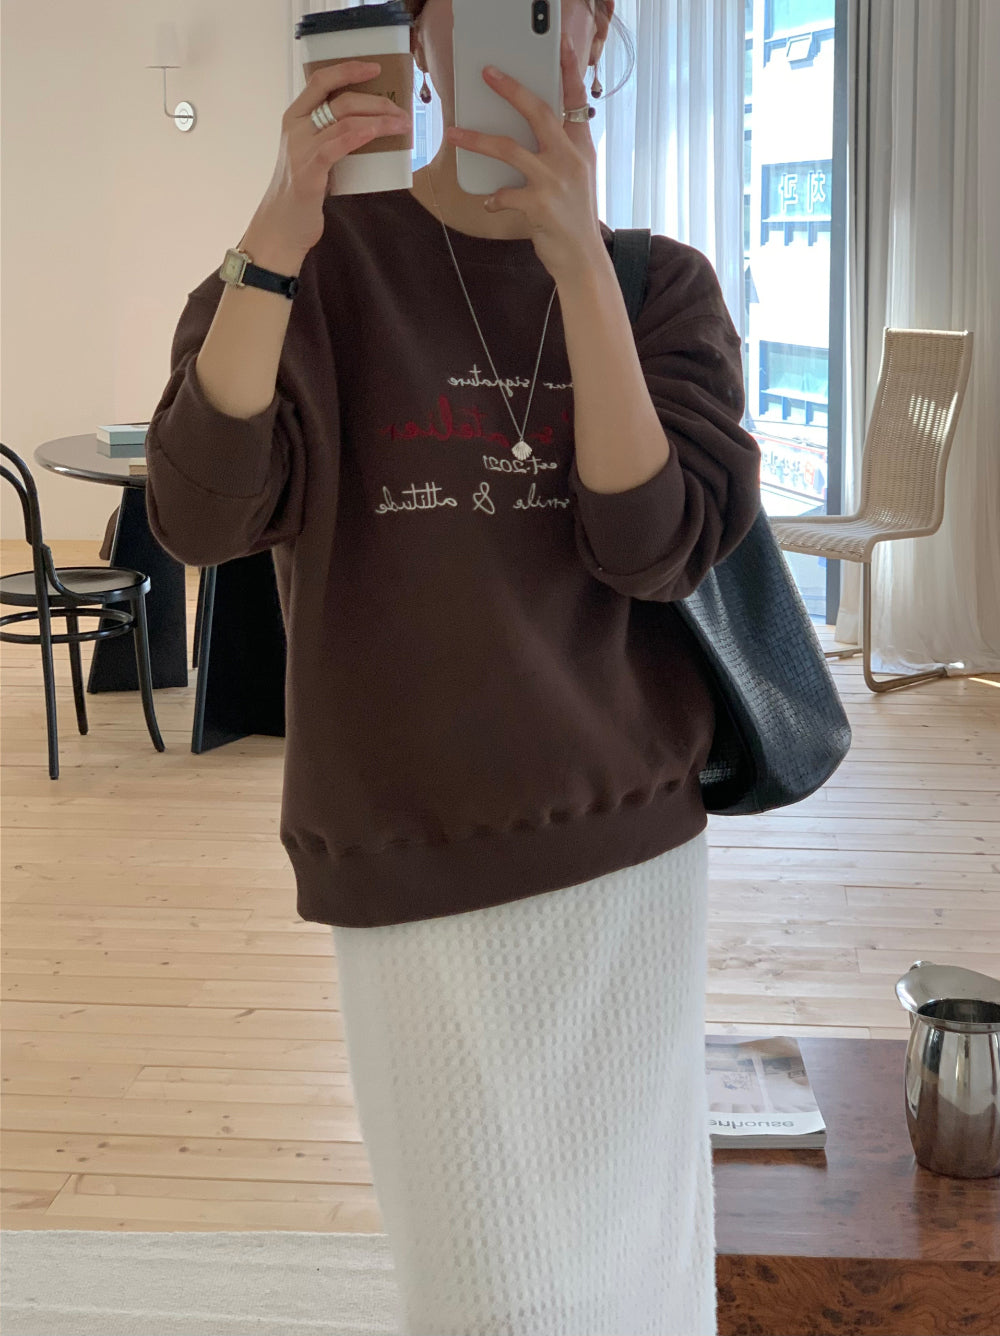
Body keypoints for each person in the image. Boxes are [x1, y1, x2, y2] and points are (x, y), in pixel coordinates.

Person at [144, 2, 761, 1332]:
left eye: (567, 4)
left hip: (624, 862)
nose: (541, 29)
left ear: (596, 34)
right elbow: (197, 516)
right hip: (409, 857)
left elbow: (652, 548)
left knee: (636, 1278)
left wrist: (577, 266)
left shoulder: (660, 286)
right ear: (419, 41)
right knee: (486, 1296)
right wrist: (275, 239)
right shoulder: (315, 271)